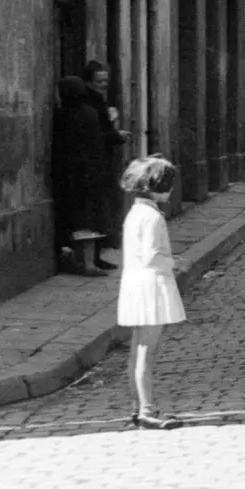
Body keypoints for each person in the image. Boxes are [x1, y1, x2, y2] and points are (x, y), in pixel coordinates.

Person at [116, 156, 186, 430]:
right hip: (152, 286)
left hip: (134, 283)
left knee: (137, 349)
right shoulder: (153, 217)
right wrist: (176, 262)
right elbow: (152, 257)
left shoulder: (135, 213)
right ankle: (147, 409)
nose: (170, 191)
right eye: (167, 186)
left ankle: (137, 406)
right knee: (148, 350)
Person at [52, 76, 110, 277]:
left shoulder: (65, 114)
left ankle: (85, 263)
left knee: (80, 218)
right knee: (89, 218)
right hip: (92, 172)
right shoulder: (90, 113)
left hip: (73, 174)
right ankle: (87, 261)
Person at [82, 61, 128, 268]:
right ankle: (91, 258)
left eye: (106, 81)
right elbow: (95, 135)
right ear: (88, 82)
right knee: (96, 210)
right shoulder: (88, 104)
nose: (104, 85)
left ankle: (98, 255)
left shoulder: (98, 100)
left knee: (102, 209)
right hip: (94, 162)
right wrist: (116, 135)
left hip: (103, 160)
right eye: (99, 81)